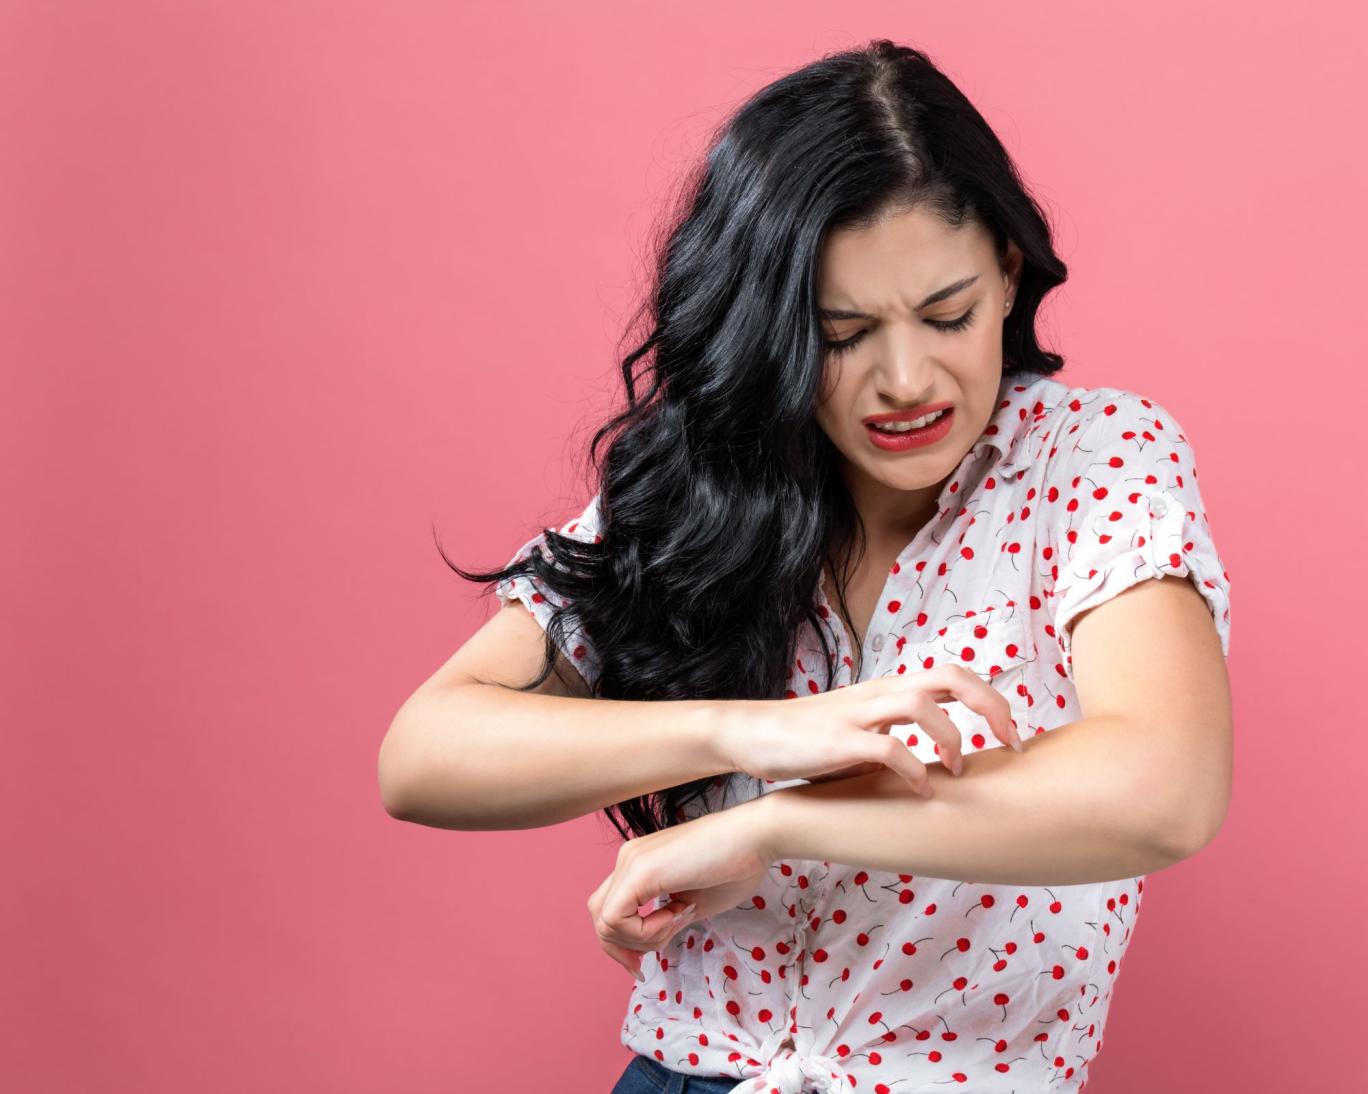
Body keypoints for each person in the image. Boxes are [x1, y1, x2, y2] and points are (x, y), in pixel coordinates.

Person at [378, 38, 1234, 1094]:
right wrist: (749, 730)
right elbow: (422, 755)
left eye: (949, 314)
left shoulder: (1092, 460)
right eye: (842, 334)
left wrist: (776, 823)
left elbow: (1166, 787)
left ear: (1010, 276)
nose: (906, 378)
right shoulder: (706, 487)